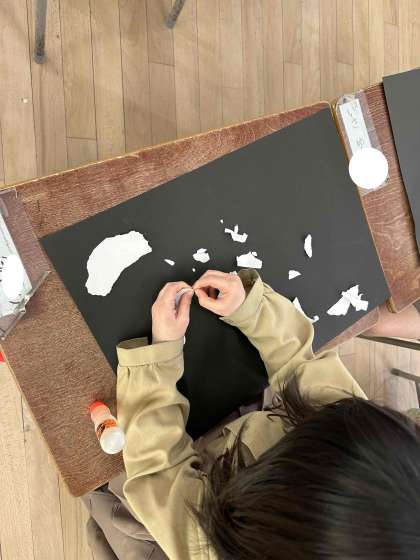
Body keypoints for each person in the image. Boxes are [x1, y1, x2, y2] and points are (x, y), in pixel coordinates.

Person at [84, 269, 420, 559]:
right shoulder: (356, 445)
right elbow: (303, 364)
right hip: (237, 441)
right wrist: (252, 309)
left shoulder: (211, 547)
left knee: (103, 479)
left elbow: (157, 469)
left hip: (163, 515)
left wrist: (158, 357)